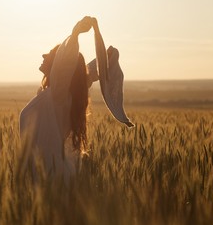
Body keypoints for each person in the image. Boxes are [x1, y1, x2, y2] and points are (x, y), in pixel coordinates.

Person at [19, 16, 133, 178]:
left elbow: (68, 64)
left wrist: (75, 34)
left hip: (50, 177)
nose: (44, 55)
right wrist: (105, 55)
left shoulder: (58, 95)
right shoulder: (64, 94)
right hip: (50, 174)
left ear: (60, 65)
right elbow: (89, 71)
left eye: (52, 54)